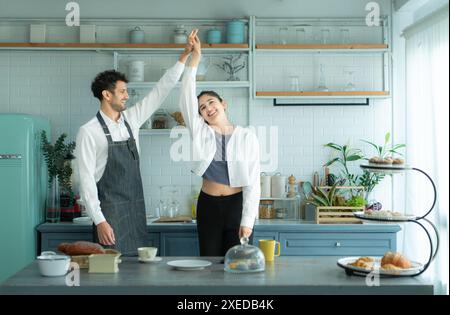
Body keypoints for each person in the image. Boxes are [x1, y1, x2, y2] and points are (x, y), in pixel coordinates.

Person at [75, 31, 195, 256]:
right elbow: (87, 182)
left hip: (136, 210)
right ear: (106, 95)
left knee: (138, 273)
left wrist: (184, 56)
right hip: (109, 215)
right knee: (110, 274)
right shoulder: (88, 132)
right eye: (122, 92)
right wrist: (99, 221)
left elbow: (161, 90)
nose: (127, 96)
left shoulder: (132, 119)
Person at [179, 30, 261, 256]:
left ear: (223, 104)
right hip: (208, 205)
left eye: (211, 102)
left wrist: (248, 220)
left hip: (237, 205)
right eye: (202, 108)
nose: (208, 108)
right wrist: (194, 59)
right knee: (209, 265)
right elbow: (186, 97)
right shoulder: (201, 132)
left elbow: (253, 182)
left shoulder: (247, 136)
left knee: (237, 263)